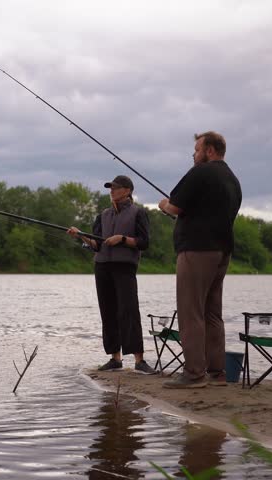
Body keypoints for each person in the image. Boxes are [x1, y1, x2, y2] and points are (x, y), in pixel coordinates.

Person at [158, 131, 242, 388]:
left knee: (190, 311)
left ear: (209, 151)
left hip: (196, 250)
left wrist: (162, 205)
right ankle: (217, 373)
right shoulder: (233, 180)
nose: (193, 155)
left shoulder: (201, 172)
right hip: (222, 252)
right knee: (212, 313)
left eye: (196, 150)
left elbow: (174, 207)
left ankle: (194, 374)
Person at [67, 175, 157, 374]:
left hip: (125, 267)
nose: (112, 191)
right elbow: (96, 245)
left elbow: (144, 242)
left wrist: (122, 239)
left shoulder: (138, 213)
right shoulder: (103, 215)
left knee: (129, 311)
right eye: (110, 188)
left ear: (127, 190)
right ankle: (115, 358)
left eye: (115, 188)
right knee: (108, 312)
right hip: (102, 267)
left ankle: (139, 360)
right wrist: (80, 235)